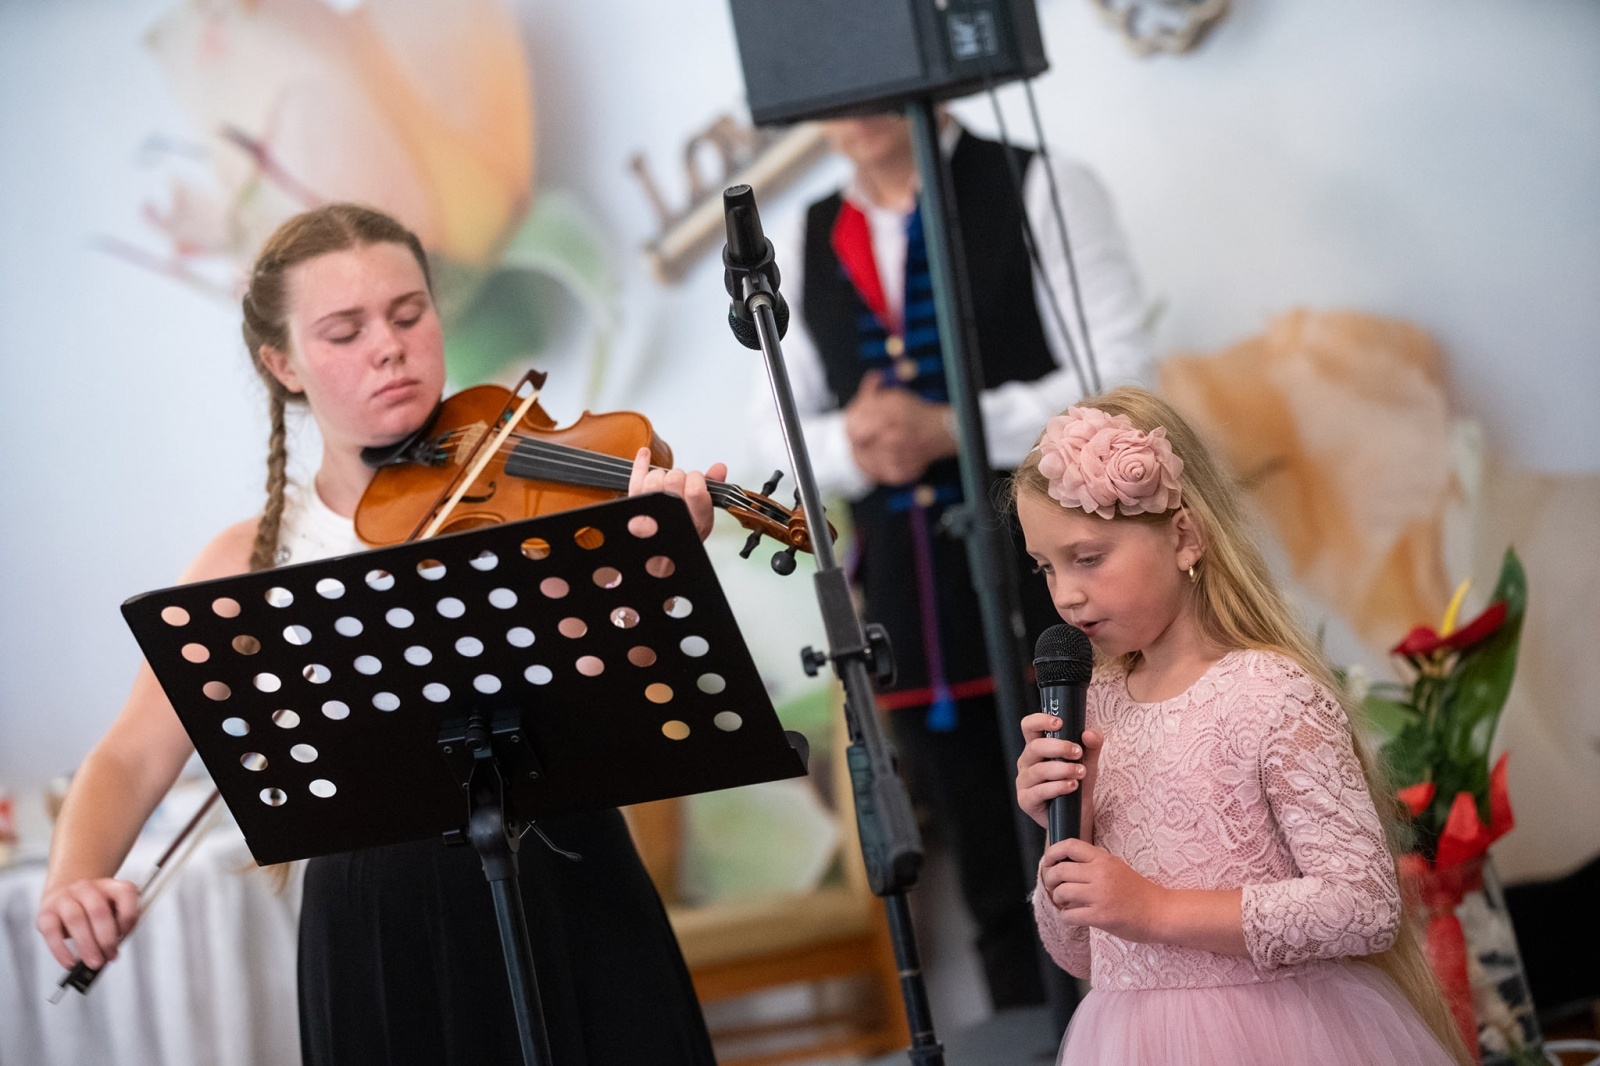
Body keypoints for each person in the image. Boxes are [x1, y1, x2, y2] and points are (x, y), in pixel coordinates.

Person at [36, 203, 725, 1065]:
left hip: (566, 873)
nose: (390, 347)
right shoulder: (249, 559)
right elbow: (131, 756)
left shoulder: (536, 493)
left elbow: (627, 704)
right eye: (343, 331)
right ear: (281, 362)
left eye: (408, 315)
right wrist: (74, 880)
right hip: (378, 922)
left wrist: (651, 568)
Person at [751, 110, 1152, 1009]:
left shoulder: (1042, 185)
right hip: (915, 609)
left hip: (1062, 589)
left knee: (1114, 850)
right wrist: (862, 443)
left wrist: (953, 428)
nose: (850, 105)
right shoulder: (803, 235)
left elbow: (1120, 372)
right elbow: (778, 426)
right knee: (991, 879)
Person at [1011, 386, 1470, 1065]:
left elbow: (1365, 905)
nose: (1065, 594)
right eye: (1046, 568)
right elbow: (1078, 949)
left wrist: (1157, 909)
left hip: (1285, 1034)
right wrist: (1065, 829)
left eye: (1088, 558)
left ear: (1185, 537)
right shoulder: (1094, 707)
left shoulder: (1268, 691)